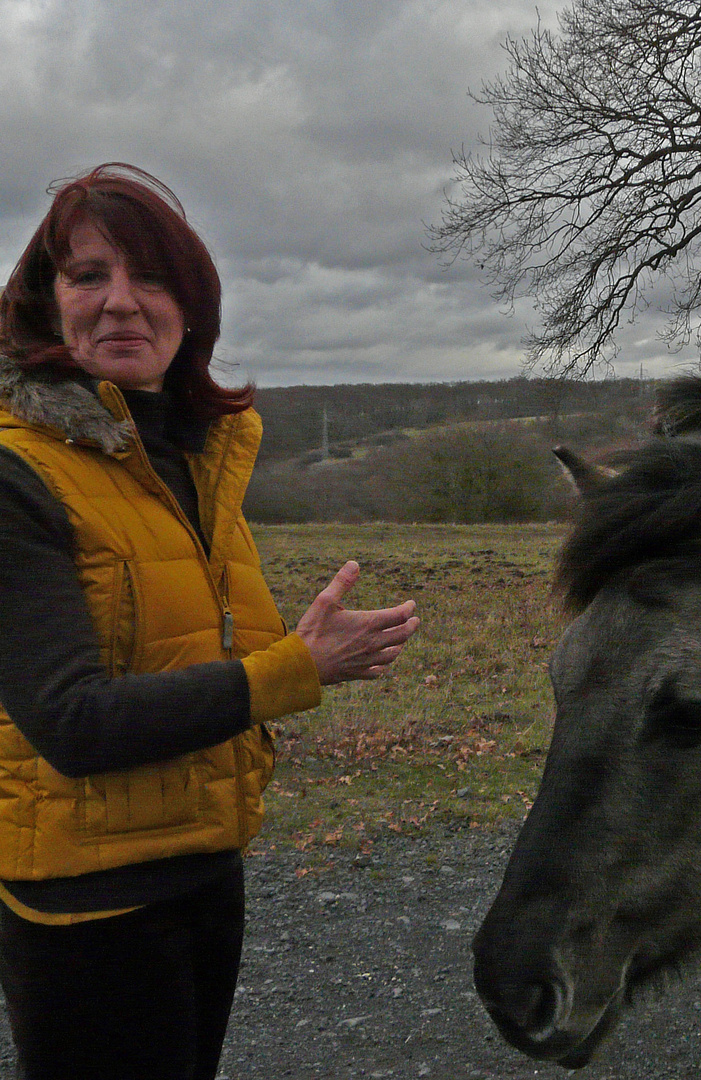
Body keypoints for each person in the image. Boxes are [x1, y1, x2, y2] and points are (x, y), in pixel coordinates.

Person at [0, 163, 420, 1079]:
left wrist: (296, 652)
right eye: (88, 276)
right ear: (46, 304)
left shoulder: (196, 454)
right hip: (86, 904)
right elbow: (71, 722)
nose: (121, 303)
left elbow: (193, 645)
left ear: (192, 307)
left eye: (151, 277)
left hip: (204, 862)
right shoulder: (15, 473)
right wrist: (295, 670)